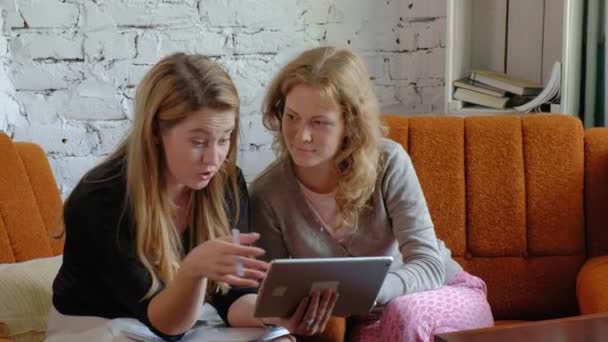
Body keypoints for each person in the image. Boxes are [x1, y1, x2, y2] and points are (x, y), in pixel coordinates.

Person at [48, 52, 333, 341]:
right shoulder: (102, 199)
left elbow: (233, 295)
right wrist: (194, 269)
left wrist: (273, 314)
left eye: (225, 139)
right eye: (198, 142)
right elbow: (166, 325)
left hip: (187, 317)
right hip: (101, 324)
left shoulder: (227, 183)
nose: (214, 158)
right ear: (156, 132)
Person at [250, 46, 494, 342]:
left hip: (444, 294)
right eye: (292, 116)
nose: (301, 135)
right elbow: (272, 296)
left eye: (319, 122)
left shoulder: (388, 162)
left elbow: (428, 265)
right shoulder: (268, 193)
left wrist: (368, 291)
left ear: (349, 125)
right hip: (367, 325)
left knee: (405, 316)